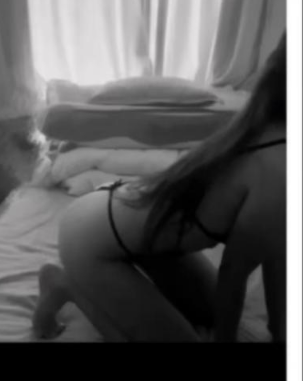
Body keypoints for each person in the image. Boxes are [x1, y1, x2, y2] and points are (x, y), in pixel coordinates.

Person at [33, 34, 287, 343]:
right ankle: (66, 284)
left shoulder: (266, 127)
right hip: (91, 237)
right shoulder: (279, 167)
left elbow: (276, 256)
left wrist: (279, 331)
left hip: (129, 223)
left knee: (211, 312)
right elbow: (234, 276)